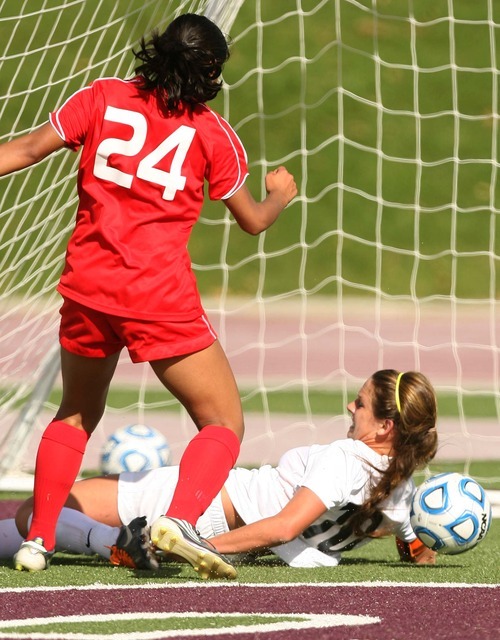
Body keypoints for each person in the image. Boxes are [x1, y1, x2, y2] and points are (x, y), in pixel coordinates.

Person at [0, 13, 297, 575]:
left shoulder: (101, 97)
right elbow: (253, 222)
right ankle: (179, 521)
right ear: (210, 70)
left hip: (87, 289)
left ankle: (37, 540)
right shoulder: (212, 132)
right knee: (222, 422)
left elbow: (24, 150)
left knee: (74, 415)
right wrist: (278, 194)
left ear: (156, 51)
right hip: (158, 299)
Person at [0, 370, 438, 574]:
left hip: (202, 500)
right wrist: (430, 541)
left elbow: (286, 527)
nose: (350, 406)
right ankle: (124, 543)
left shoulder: (345, 457)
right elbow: (411, 538)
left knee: (36, 515)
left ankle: (116, 543)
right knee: (29, 521)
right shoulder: (400, 485)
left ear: (385, 425)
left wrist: (199, 545)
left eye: (359, 403)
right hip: (220, 517)